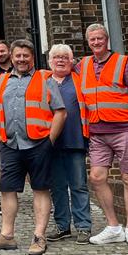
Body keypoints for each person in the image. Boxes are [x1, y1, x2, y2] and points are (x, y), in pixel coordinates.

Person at [0, 39, 66, 255]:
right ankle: (6, 236)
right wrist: (0, 136)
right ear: (11, 56)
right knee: (7, 189)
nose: (21, 59)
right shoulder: (1, 81)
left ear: (32, 57)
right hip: (11, 144)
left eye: (25, 55)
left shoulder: (46, 78)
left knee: (40, 189)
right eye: (17, 55)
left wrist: (50, 141)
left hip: (39, 143)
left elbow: (60, 112)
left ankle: (39, 236)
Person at [79, 23, 128, 250]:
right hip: (98, 132)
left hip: (125, 128)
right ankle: (113, 226)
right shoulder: (83, 65)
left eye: (99, 38)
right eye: (92, 40)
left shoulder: (123, 62)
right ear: (88, 42)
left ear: (106, 39)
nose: (96, 43)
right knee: (97, 177)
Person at [46, 44, 91, 243]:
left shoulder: (80, 81)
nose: (61, 60)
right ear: (50, 61)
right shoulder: (43, 82)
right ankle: (63, 226)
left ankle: (83, 226)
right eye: (56, 57)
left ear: (72, 61)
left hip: (75, 140)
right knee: (57, 187)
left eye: (65, 57)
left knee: (79, 185)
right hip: (51, 143)